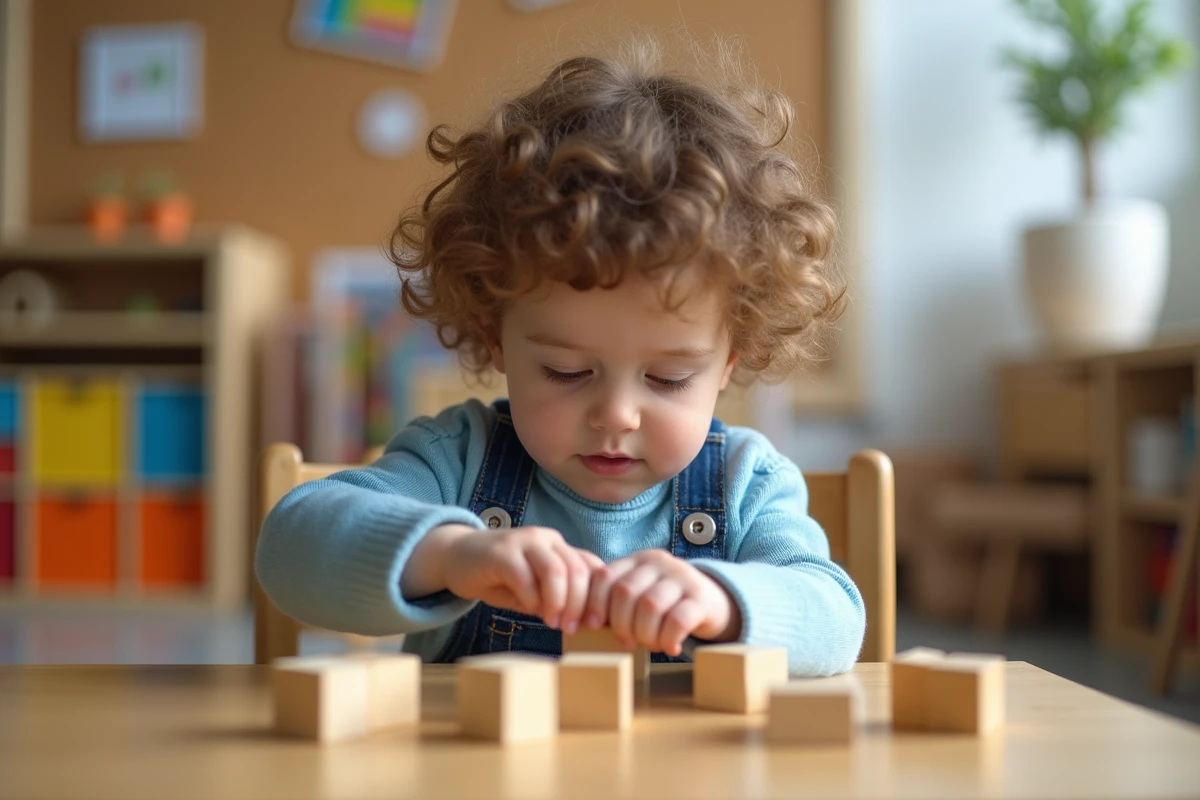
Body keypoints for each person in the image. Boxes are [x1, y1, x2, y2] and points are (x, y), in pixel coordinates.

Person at [256, 38, 865, 676]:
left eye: (669, 378)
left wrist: (726, 603)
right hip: (477, 746)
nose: (616, 415)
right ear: (496, 337)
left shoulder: (746, 484)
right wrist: (450, 555)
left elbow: (835, 618)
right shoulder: (457, 461)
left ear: (728, 362)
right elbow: (290, 547)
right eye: (566, 372)